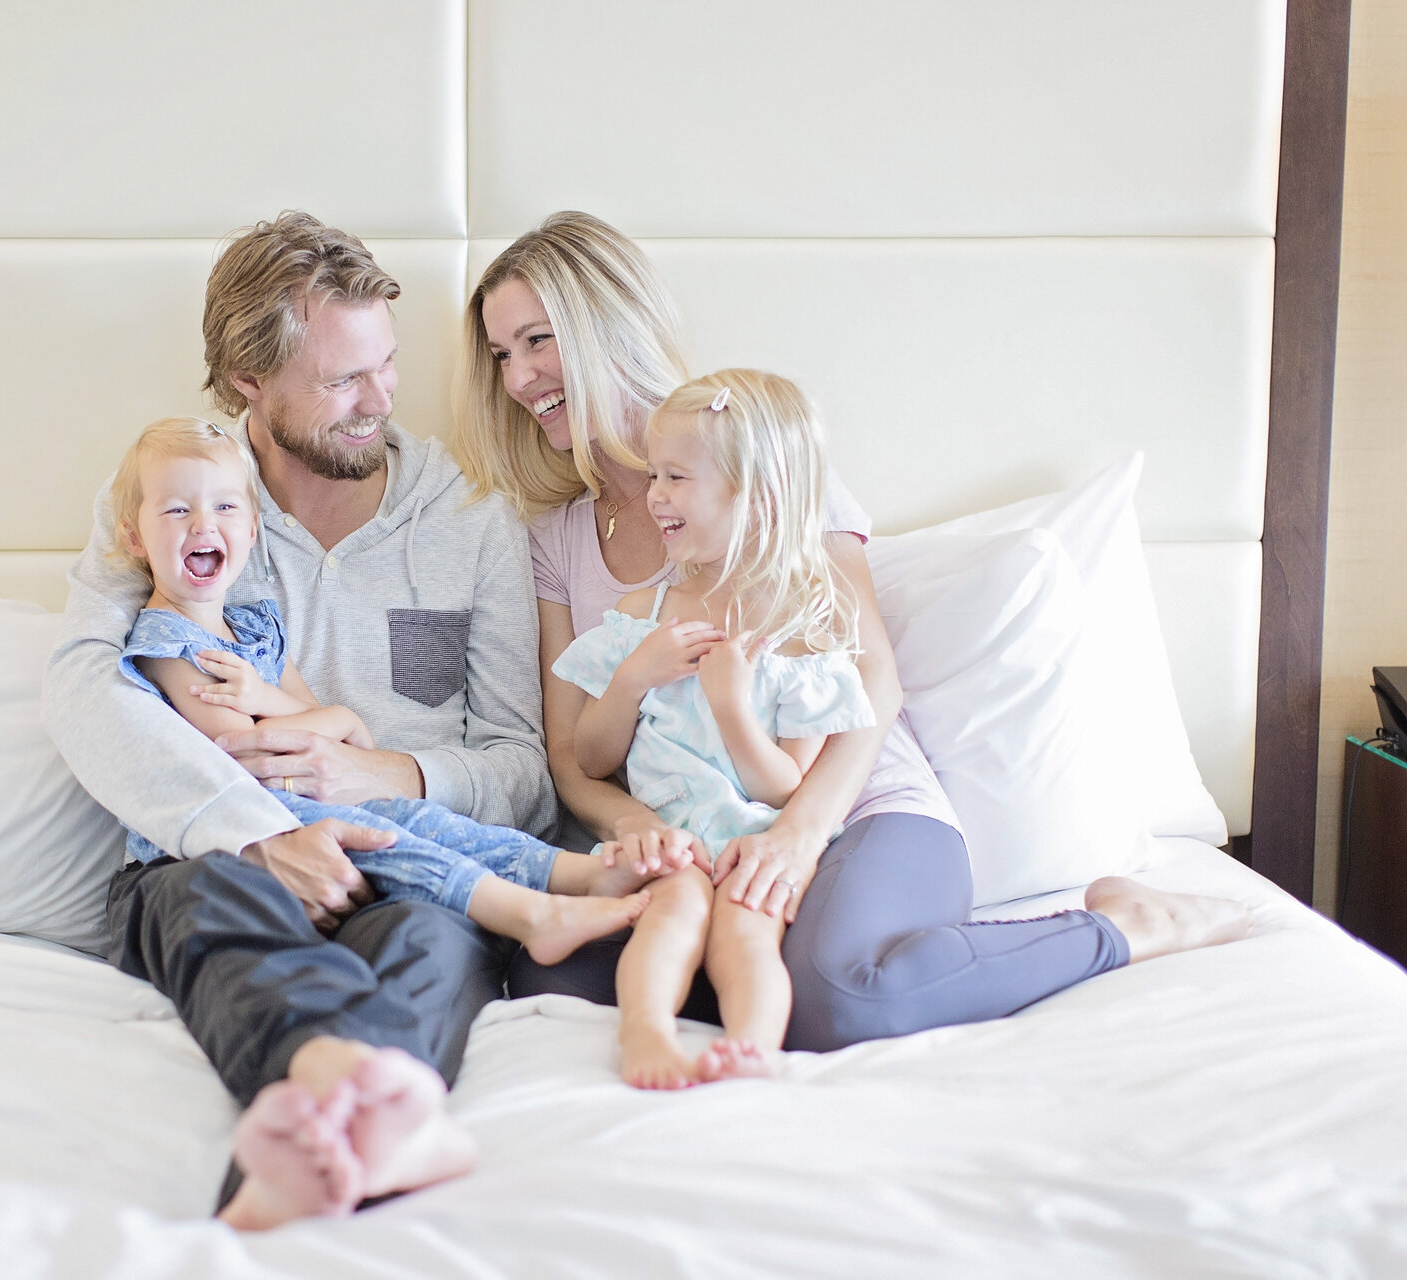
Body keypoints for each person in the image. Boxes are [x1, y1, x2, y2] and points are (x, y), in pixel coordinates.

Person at [453, 211, 1255, 1080]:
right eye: (501, 355)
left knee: (840, 997)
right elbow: (574, 758)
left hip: (851, 800)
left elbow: (872, 679)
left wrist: (799, 832)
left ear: (607, 330)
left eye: (538, 341)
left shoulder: (774, 476)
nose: (520, 377)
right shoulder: (557, 538)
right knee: (552, 966)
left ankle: (1127, 928)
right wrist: (647, 834)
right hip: (694, 832)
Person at [43, 213, 555, 1229]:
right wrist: (263, 830)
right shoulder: (177, 497)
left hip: (400, 855)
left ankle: (299, 1178)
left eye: (387, 366)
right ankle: (334, 1124)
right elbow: (81, 688)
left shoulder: (471, 519)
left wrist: (388, 777)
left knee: (426, 941)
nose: (380, 403)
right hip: (216, 858)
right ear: (249, 384)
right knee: (213, 910)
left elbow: (521, 767)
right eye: (340, 383)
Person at [109, 415, 654, 963]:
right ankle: (531, 914)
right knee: (394, 840)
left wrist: (279, 705)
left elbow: (314, 717)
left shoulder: (255, 625)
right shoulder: (165, 642)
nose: (203, 525)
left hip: (304, 802)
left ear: (252, 528)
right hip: (243, 829)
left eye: (224, 507)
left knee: (420, 818)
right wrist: (324, 721)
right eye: (178, 510)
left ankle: (577, 872)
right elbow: (248, 755)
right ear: (135, 535)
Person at [552, 371, 879, 1087]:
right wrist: (634, 676)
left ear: (756, 502)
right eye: (654, 476)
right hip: (668, 841)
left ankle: (753, 1050)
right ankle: (646, 1036)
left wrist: (731, 705)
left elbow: (786, 787)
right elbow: (591, 756)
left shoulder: (801, 637)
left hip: (748, 847)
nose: (654, 496)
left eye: (675, 478)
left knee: (746, 932)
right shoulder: (645, 612)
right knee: (673, 911)